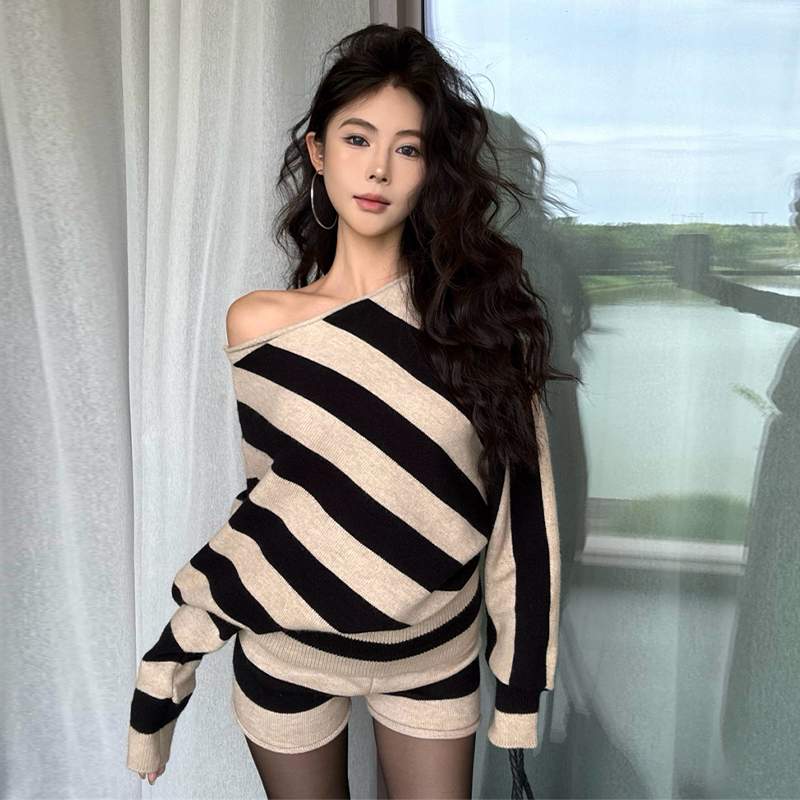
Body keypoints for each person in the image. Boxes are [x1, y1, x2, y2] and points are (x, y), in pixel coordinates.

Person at [127, 23, 577, 799]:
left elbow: (524, 521)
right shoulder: (256, 325)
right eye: (357, 138)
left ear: (432, 168)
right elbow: (277, 501)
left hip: (433, 654)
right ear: (317, 151)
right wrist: (177, 653)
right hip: (285, 653)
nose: (378, 168)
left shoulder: (480, 327)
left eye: (408, 148)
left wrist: (517, 690)